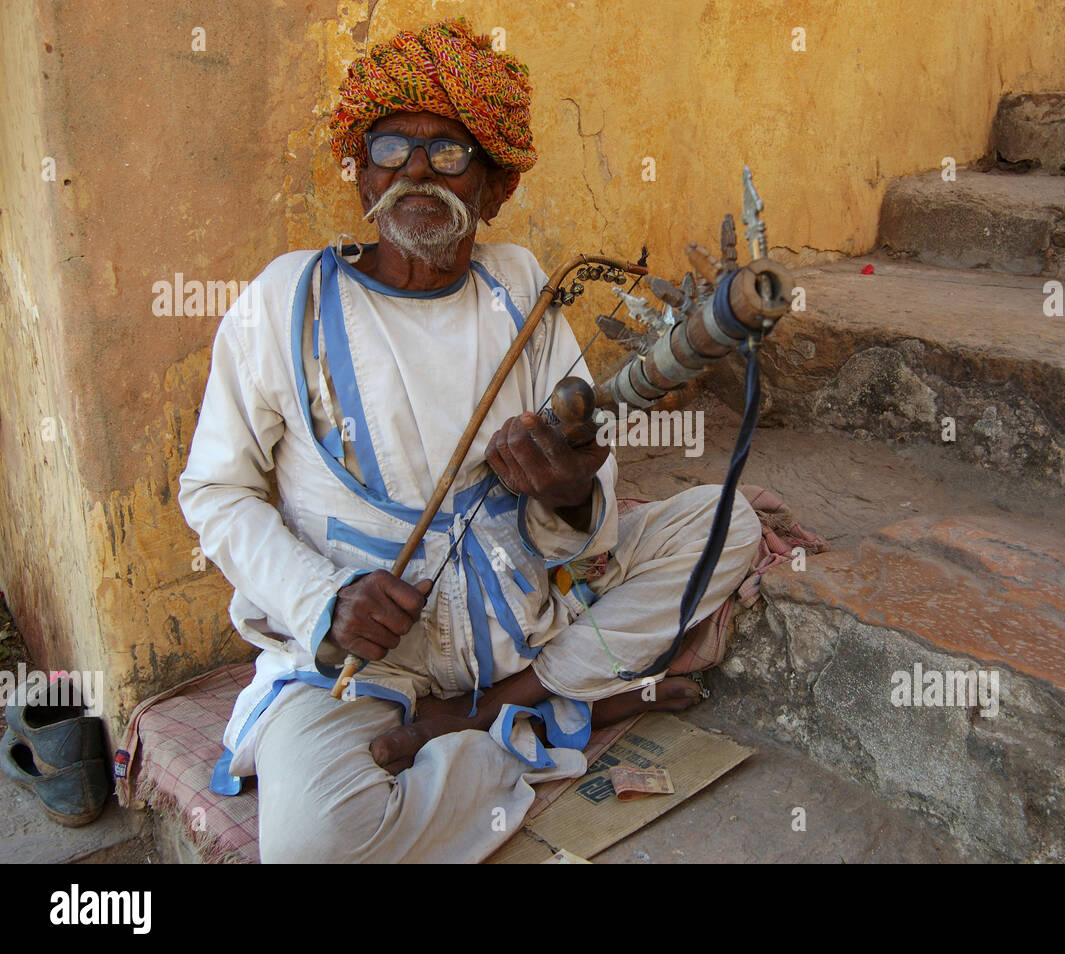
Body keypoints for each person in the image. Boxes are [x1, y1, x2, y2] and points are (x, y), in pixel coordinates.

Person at [177, 17, 761, 863]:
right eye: (391, 145)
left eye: (449, 152)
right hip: (366, 667)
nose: (416, 167)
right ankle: (562, 711)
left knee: (725, 522)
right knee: (313, 848)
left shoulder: (521, 285)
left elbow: (584, 514)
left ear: (492, 189)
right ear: (361, 174)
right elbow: (214, 491)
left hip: (525, 624)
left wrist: (567, 490)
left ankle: (497, 709)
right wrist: (322, 602)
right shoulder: (284, 302)